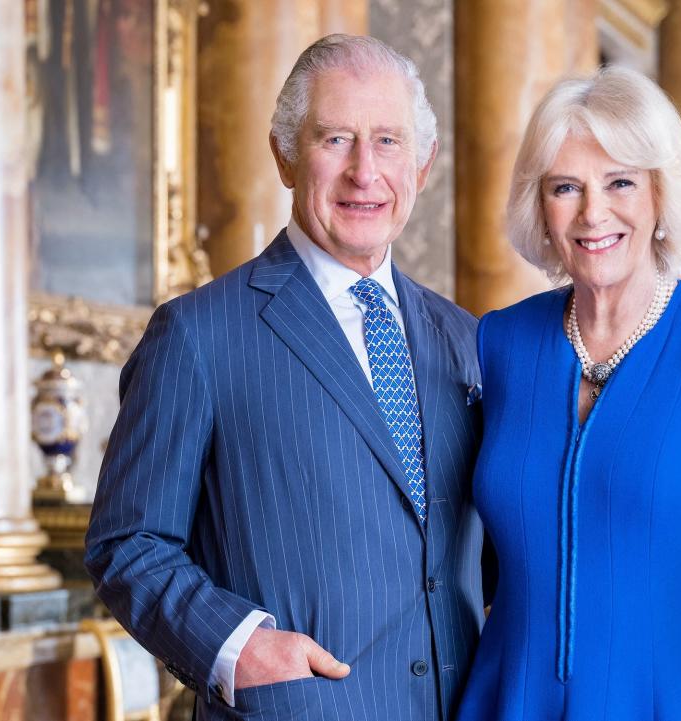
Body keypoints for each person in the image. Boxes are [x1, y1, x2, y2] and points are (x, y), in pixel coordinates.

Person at [85, 34, 485, 721]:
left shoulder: (468, 339)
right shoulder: (197, 335)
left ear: (423, 165)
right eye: (335, 139)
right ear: (285, 153)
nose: (366, 171)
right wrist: (239, 648)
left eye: (389, 141)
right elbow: (128, 543)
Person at [456, 66, 681, 721]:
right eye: (567, 187)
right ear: (542, 205)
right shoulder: (501, 342)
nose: (594, 212)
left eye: (620, 182)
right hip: (508, 702)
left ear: (659, 196)